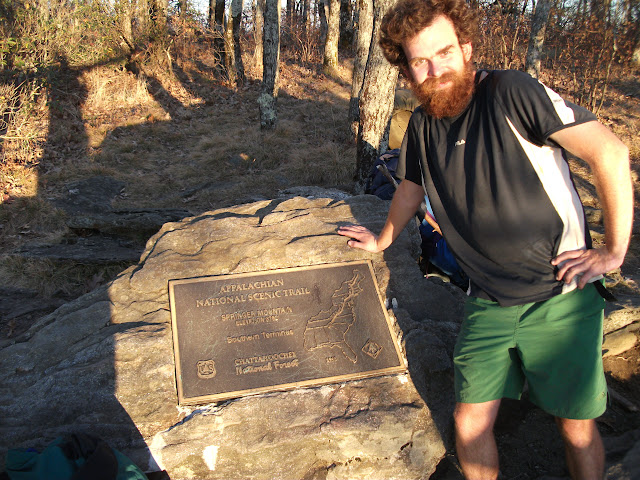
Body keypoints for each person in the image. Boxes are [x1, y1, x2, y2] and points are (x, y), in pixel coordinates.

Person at [337, 0, 633, 478]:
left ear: (467, 48)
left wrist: (614, 250)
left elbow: (610, 152)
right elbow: (410, 189)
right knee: (469, 423)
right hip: (486, 301)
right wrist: (383, 240)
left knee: (575, 426)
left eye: (444, 52)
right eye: (420, 61)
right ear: (406, 71)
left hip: (560, 295)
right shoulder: (422, 124)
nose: (435, 70)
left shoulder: (511, 92)